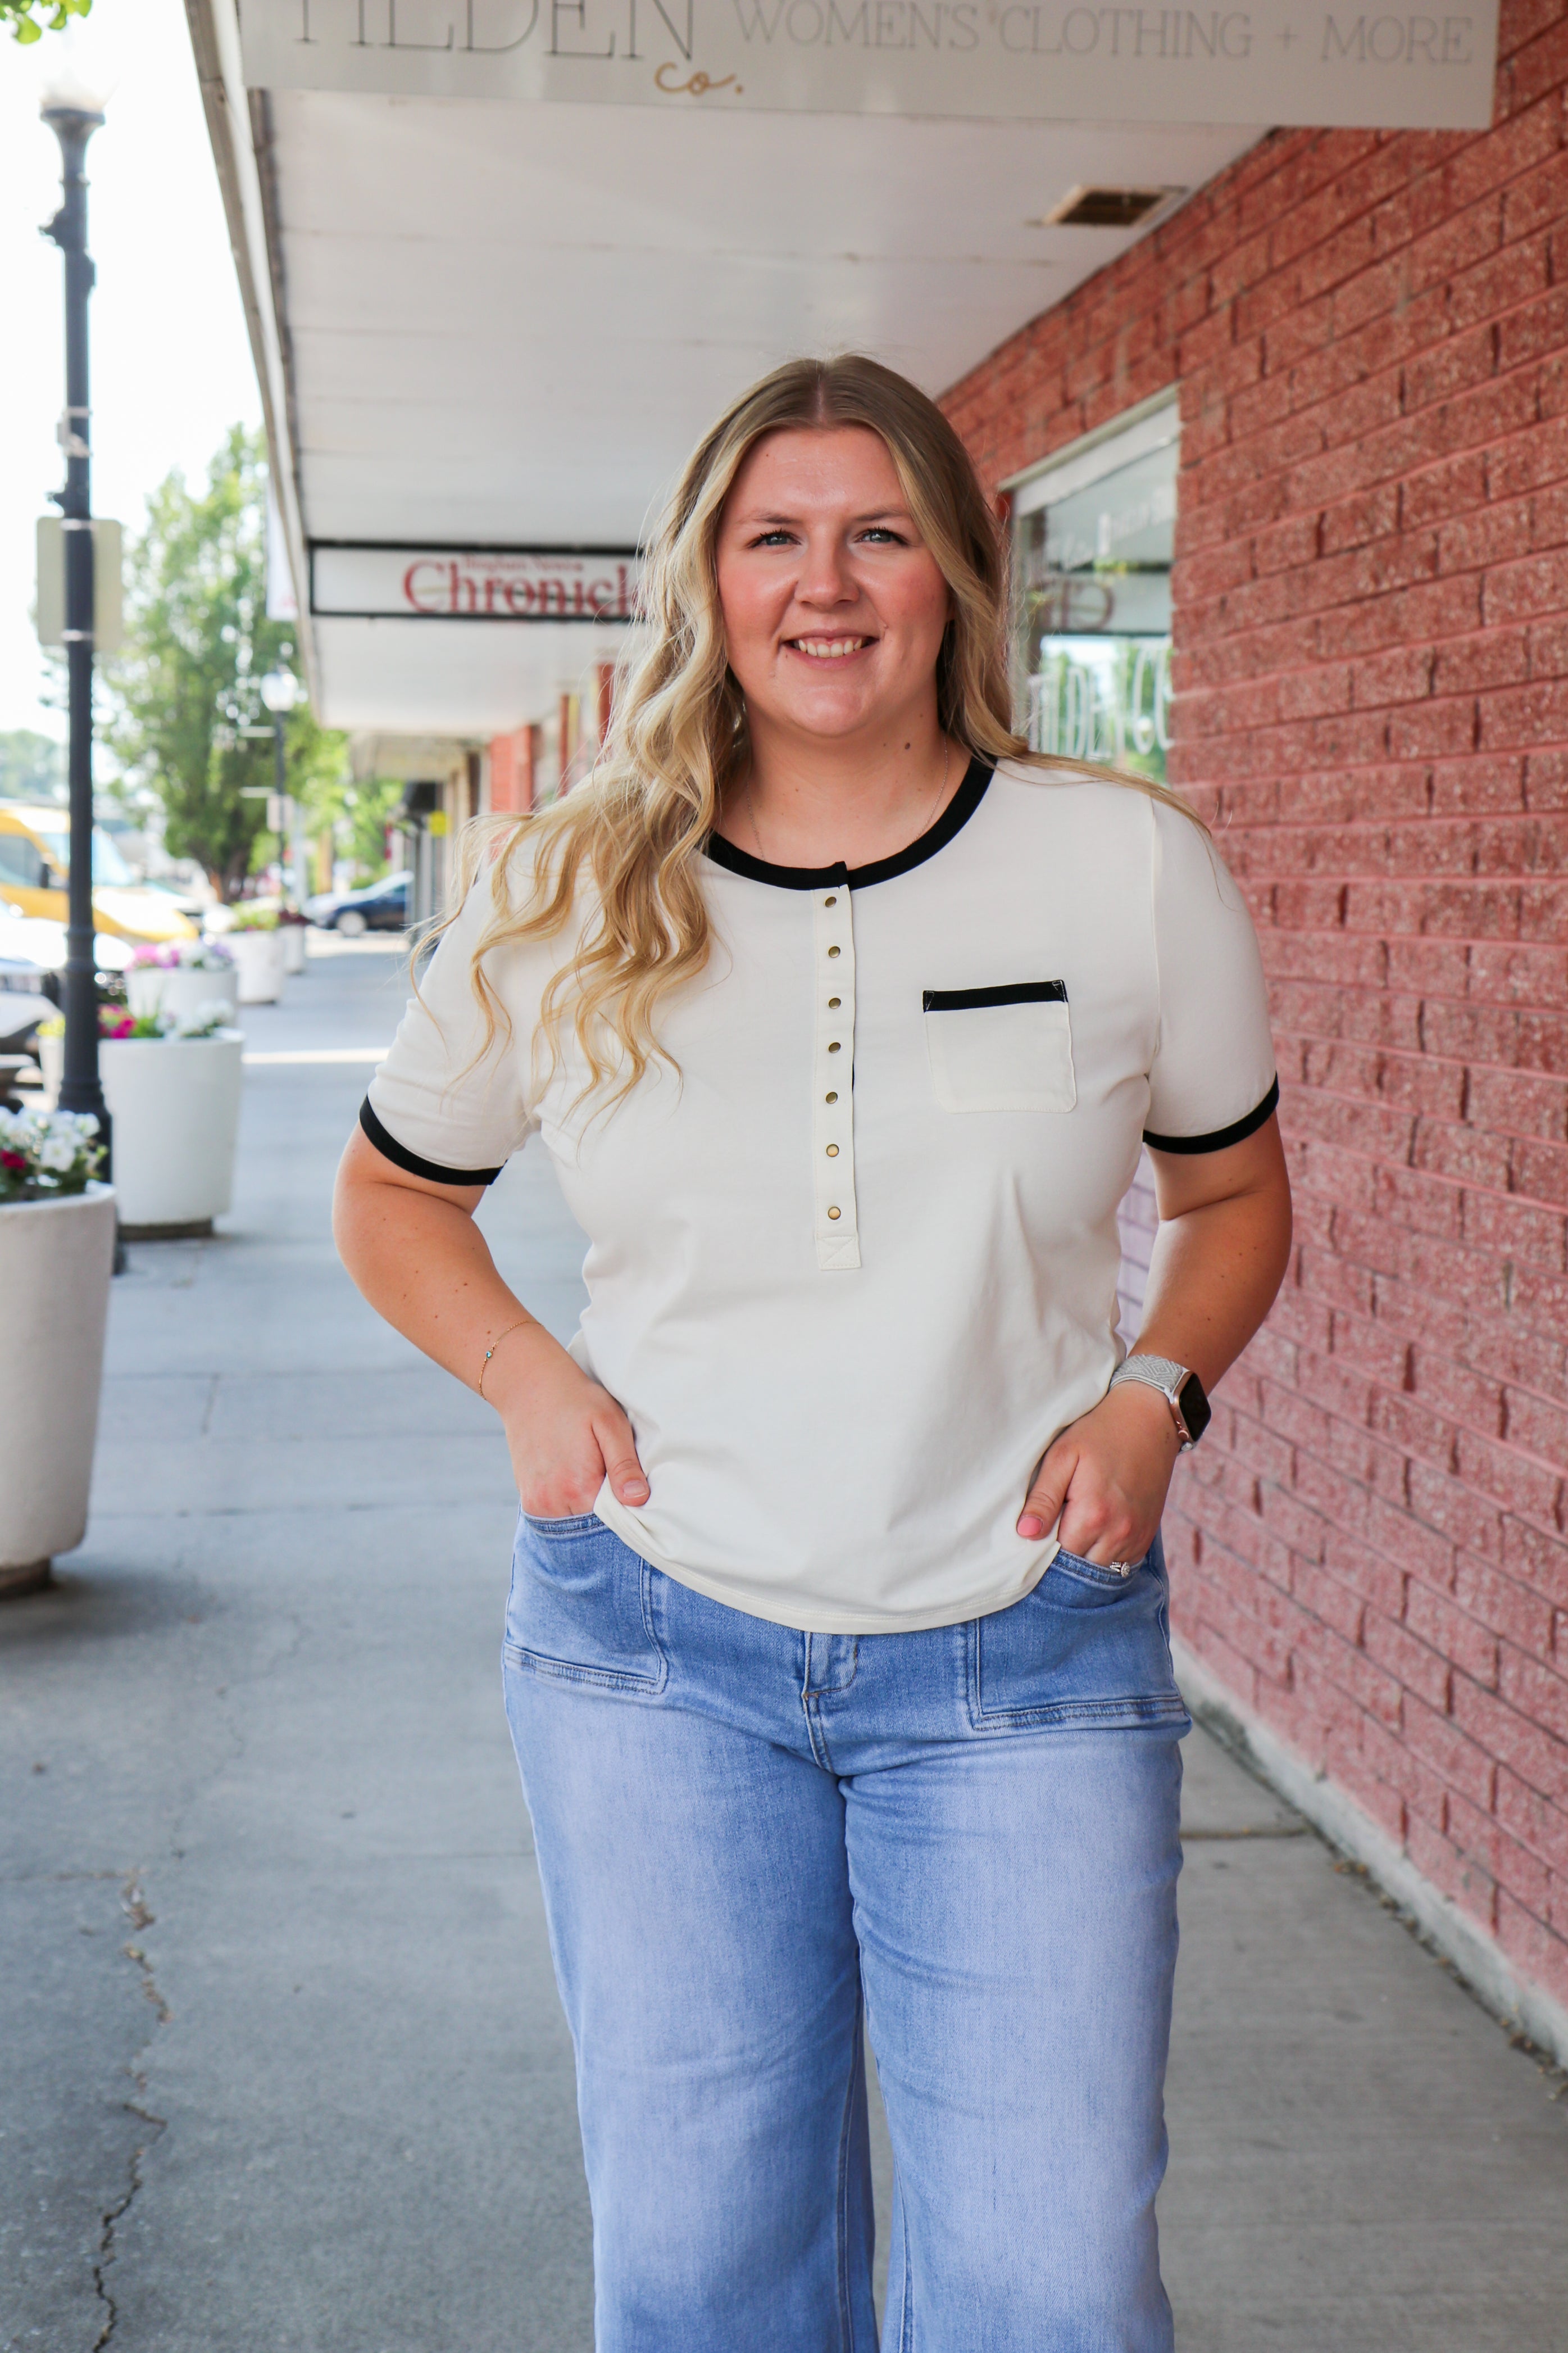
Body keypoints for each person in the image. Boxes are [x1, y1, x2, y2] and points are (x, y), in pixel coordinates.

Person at [334, 355, 1292, 2352]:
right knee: (703, 2286)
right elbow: (396, 1198)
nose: (826, 581)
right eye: (775, 534)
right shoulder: (561, 886)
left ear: (956, 573)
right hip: (653, 1656)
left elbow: (1233, 1203)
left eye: (879, 532)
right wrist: (526, 1372)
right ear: (710, 579)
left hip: (1022, 1652)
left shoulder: (1120, 867)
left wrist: (1156, 1396)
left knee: (1053, 2292)